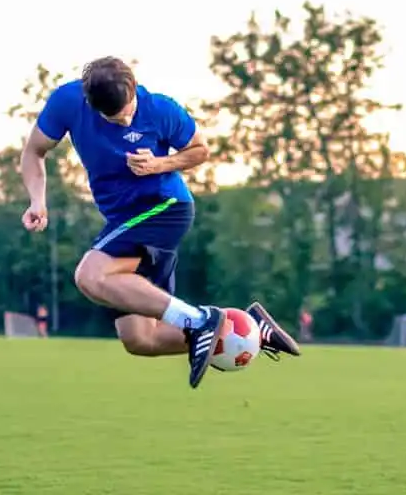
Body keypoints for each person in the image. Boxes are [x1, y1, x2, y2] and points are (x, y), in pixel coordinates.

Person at [19, 56, 301, 389]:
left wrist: (160, 164)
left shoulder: (161, 109)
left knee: (89, 277)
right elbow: (34, 151)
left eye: (128, 111)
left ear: (134, 87)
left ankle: (200, 320)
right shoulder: (67, 102)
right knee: (141, 339)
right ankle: (252, 330)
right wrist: (37, 200)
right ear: (89, 103)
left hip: (164, 207)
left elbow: (200, 150)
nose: (125, 122)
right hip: (123, 218)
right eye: (114, 119)